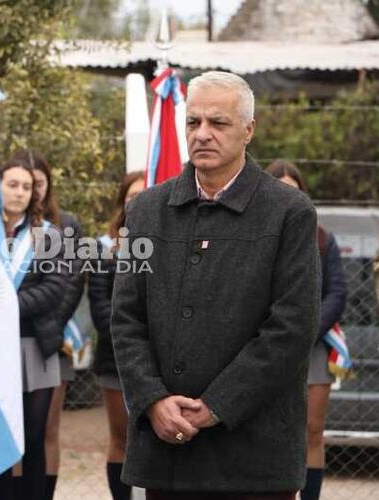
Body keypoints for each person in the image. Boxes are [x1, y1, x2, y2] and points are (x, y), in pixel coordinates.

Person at [110, 71, 320, 499]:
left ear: (248, 130)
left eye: (218, 123)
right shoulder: (147, 211)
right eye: (193, 122)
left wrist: (216, 406)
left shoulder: (289, 213)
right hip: (170, 455)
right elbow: (126, 317)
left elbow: (292, 326)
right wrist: (153, 399)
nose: (202, 134)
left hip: (255, 456)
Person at [265, 160, 347, 500]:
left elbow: (337, 293)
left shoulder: (323, 239)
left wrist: (304, 330)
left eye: (294, 190)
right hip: (267, 349)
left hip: (311, 350)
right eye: (281, 189)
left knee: (312, 432)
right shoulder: (256, 238)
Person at [0, 158, 66, 500]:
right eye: (12, 184)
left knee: (33, 439)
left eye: (26, 186)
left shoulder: (47, 234)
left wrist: (6, 305)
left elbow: (54, 288)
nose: (20, 192)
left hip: (35, 345)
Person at [10, 149, 85, 500]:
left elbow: (67, 285)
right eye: (23, 184)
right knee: (10, 435)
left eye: (37, 184)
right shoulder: (0, 227)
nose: (31, 191)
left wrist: (49, 323)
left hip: (49, 338)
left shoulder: (63, 226)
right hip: (9, 341)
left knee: (42, 432)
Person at [89, 171, 145, 500]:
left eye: (144, 195)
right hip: (116, 361)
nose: (137, 202)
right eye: (131, 196)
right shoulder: (105, 249)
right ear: (122, 202)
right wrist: (132, 341)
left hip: (163, 360)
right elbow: (100, 307)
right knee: (121, 441)